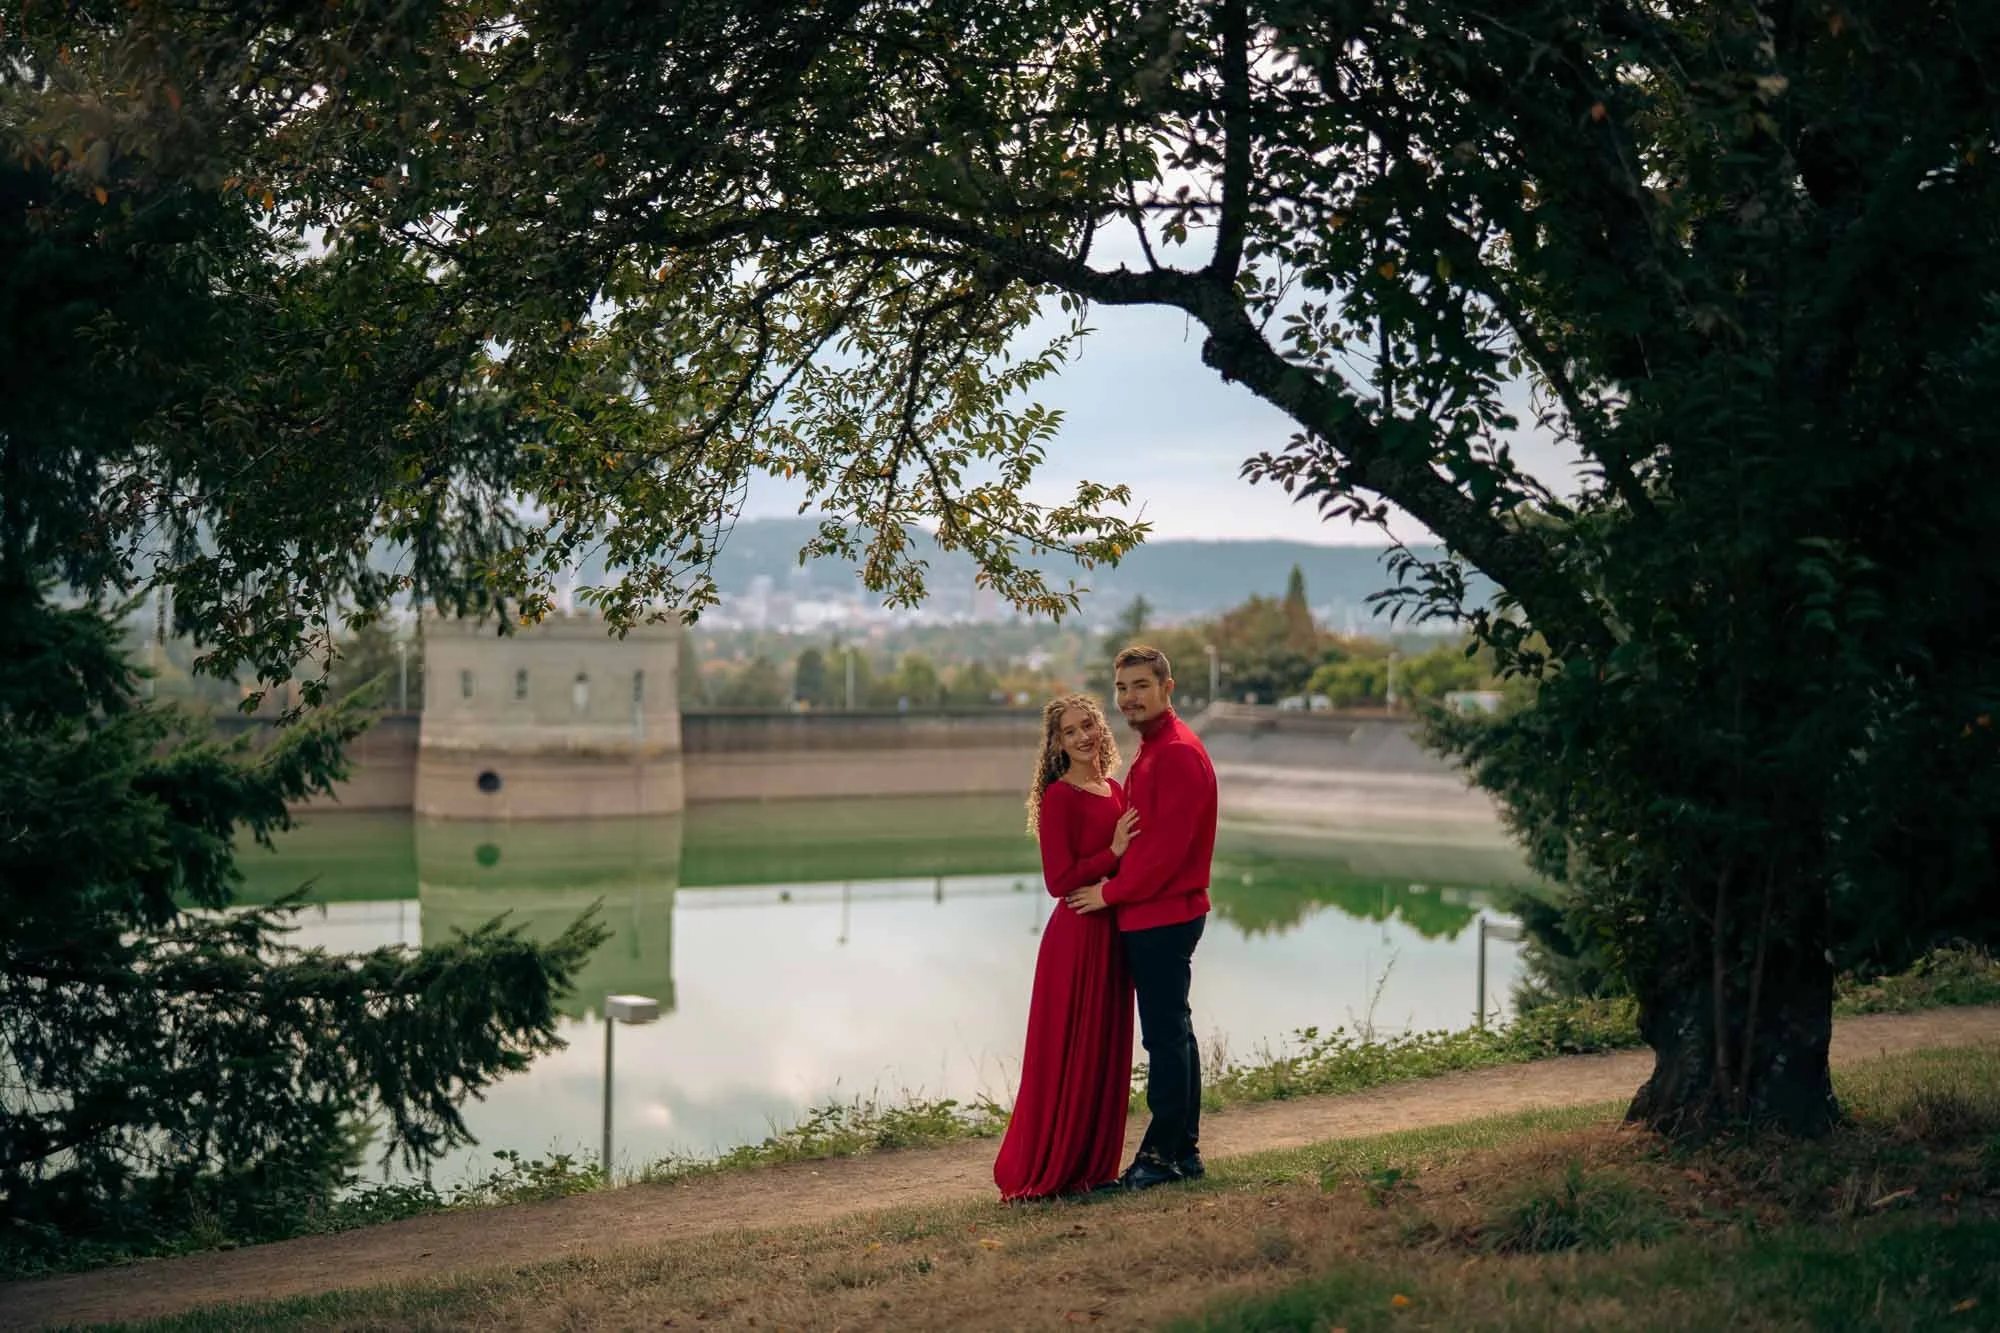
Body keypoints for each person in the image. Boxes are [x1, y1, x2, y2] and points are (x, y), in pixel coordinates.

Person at [1066, 645, 1216, 1190]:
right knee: (1174, 1032)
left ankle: (1162, 1159)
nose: (1129, 698)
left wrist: (1110, 894)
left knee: (1164, 1037)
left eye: (1141, 687)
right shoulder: (1154, 749)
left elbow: (1166, 852)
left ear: (1167, 688)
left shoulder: (1175, 752)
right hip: (1155, 911)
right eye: (1123, 688)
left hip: (1162, 914)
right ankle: (1183, 1154)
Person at [993, 692, 1142, 1201]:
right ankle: (1054, 1166)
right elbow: (1059, 881)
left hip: (1113, 935)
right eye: (1070, 732)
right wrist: (1114, 851)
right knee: (1069, 1050)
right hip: (1076, 936)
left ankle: (1096, 1170)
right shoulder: (1059, 797)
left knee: (1104, 1049)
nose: (1083, 737)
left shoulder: (1116, 790)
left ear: (1101, 728)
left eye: (1089, 726)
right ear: (1057, 744)